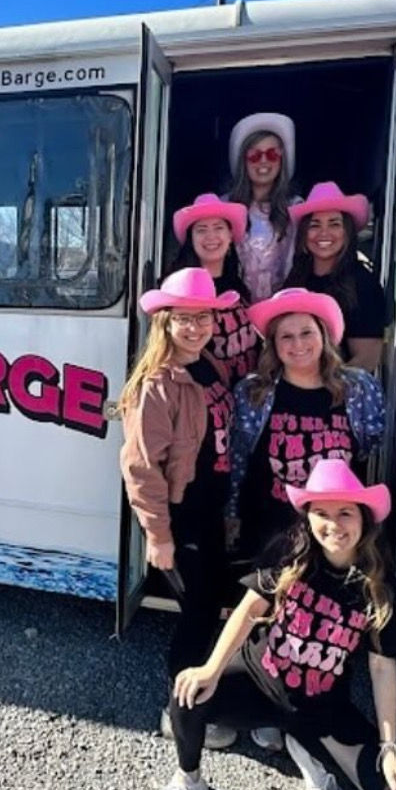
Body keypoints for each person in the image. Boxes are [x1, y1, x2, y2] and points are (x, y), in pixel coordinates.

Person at [147, 458, 396, 790]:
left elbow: (382, 667)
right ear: (308, 517)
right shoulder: (293, 552)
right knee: (186, 693)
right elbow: (248, 611)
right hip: (258, 684)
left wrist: (390, 750)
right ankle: (189, 781)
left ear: (364, 519)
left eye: (345, 513)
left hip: (321, 711)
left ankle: (300, 742)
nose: (333, 524)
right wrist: (211, 669)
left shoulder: (379, 585)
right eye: (321, 513)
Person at [119, 267, 245, 745]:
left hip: (211, 507)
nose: (196, 327)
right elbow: (140, 467)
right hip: (182, 513)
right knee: (197, 610)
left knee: (209, 605)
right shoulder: (157, 382)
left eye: (205, 317)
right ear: (165, 323)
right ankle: (179, 714)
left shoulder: (211, 365)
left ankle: (196, 701)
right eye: (184, 319)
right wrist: (159, 536)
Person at [228, 287, 386, 566]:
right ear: (273, 344)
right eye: (286, 336)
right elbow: (238, 459)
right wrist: (231, 513)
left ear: (323, 336)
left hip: (334, 534)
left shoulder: (359, 389)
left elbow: (370, 449)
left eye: (306, 333)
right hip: (268, 529)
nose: (297, 344)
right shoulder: (253, 393)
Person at [285, 181, 386, 372]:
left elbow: (367, 359)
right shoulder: (295, 278)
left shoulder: (363, 284)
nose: (324, 233)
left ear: (347, 232)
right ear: (304, 233)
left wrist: (320, 391)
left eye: (334, 224)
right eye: (315, 225)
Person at [170, 192, 262, 382]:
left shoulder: (239, 286)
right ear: (191, 239)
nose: (211, 236)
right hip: (208, 399)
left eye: (218, 227)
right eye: (201, 229)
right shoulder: (178, 292)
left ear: (230, 236)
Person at [224, 112, 299, 303]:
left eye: (272, 154)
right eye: (255, 155)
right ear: (243, 161)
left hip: (284, 312)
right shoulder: (224, 206)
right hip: (232, 309)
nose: (264, 161)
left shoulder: (298, 208)